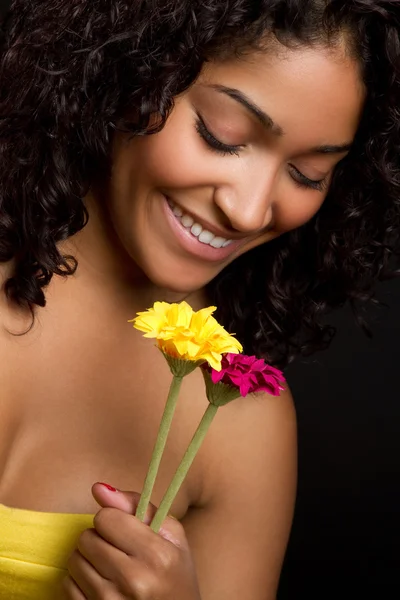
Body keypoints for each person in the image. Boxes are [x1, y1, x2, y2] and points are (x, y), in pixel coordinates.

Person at [0, 1, 399, 599]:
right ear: (130, 70)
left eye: (308, 174)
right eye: (222, 135)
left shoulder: (240, 422)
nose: (248, 209)